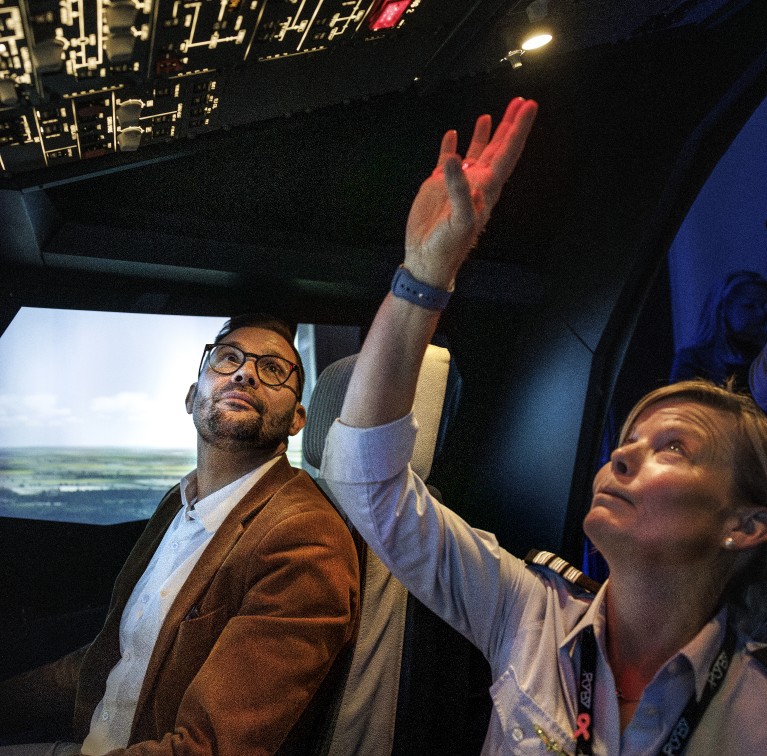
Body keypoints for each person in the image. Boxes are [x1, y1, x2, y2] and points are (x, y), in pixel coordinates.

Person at [320, 97, 767, 753]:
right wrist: (425, 273)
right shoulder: (530, 610)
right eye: (627, 443)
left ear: (746, 524)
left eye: (672, 448)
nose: (620, 459)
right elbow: (367, 481)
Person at [0, 313, 360, 755]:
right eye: (228, 359)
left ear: (297, 419)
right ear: (192, 397)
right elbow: (109, 659)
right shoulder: (180, 500)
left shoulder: (304, 539)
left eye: (272, 369)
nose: (245, 373)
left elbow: (207, 748)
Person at [670, 270, 767, 390]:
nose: (761, 313)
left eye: (764, 306)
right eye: (749, 306)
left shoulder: (761, 357)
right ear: (723, 308)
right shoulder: (694, 359)